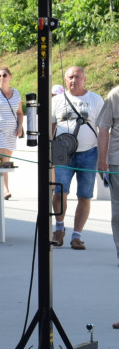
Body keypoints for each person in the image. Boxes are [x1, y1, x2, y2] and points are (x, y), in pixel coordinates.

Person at [51, 66, 103, 249]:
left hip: (89, 152)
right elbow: (51, 127)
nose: (74, 80)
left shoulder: (96, 100)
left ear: (85, 79)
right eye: (71, 77)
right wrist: (49, 155)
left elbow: (103, 130)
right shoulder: (56, 100)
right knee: (59, 192)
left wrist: (103, 157)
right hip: (62, 152)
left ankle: (77, 235)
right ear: (65, 80)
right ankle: (58, 228)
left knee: (85, 195)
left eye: (78, 77)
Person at [0, 66, 24, 199]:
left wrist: (20, 127)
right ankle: (5, 189)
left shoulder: (16, 93)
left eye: (4, 75)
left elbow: (20, 113)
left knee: (4, 162)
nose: (1, 78)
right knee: (3, 159)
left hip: (12, 132)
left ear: (10, 77)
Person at [97, 86, 119, 267]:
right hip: (118, 163)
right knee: (118, 211)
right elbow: (103, 128)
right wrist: (101, 160)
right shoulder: (115, 94)